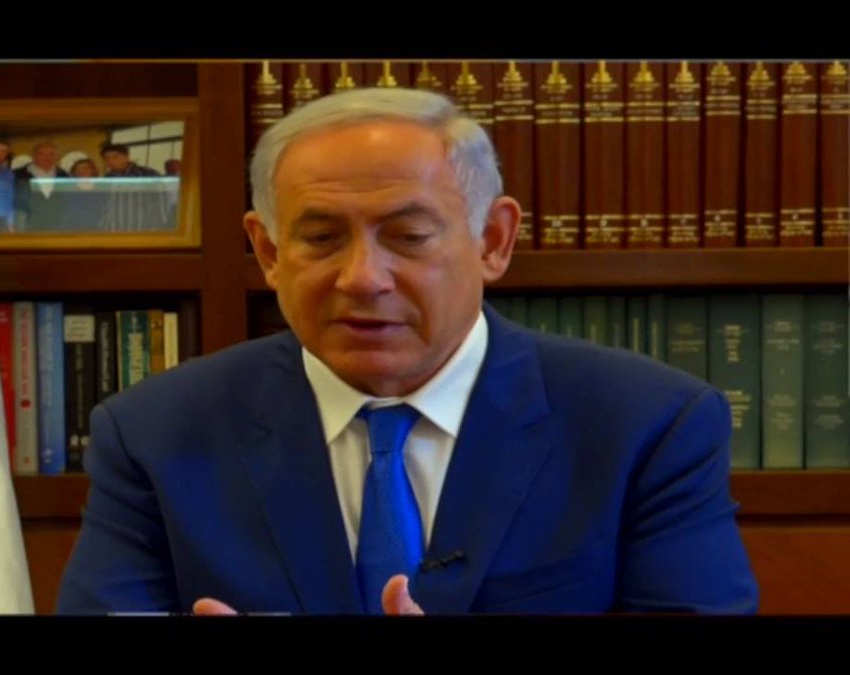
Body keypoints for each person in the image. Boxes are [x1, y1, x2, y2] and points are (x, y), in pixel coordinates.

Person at [56, 87, 759, 616]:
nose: (363, 277)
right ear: (268, 252)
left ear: (493, 241)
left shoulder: (646, 425)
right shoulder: (154, 434)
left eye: (409, 236)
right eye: (321, 239)